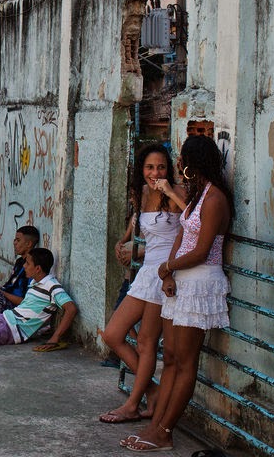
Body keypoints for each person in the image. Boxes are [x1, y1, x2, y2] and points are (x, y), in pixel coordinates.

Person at [122, 135, 234, 452]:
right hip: (180, 281)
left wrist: (166, 266)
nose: (178, 164)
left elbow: (200, 251)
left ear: (192, 163)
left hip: (199, 283)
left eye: (182, 158)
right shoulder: (198, 195)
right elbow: (182, 233)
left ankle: (165, 432)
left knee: (185, 363)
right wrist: (169, 271)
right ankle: (156, 425)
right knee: (169, 358)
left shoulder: (215, 200)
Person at [99, 143, 185, 424]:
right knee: (112, 334)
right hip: (146, 274)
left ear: (168, 168)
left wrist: (171, 191)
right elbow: (142, 225)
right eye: (150, 167)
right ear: (142, 169)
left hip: (165, 274)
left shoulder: (176, 193)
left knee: (147, 342)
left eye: (161, 167)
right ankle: (151, 389)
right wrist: (124, 241)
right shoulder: (143, 192)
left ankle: (133, 404)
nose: (155, 172)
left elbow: (194, 222)